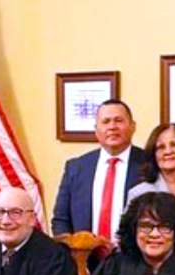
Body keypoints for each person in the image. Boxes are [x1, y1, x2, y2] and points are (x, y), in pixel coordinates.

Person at [52, 99, 149, 238]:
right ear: (96, 130)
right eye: (106, 122)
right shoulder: (76, 168)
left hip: (133, 257)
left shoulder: (149, 164)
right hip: (83, 256)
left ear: (133, 126)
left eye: (119, 120)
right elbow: (61, 220)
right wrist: (73, 252)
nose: (112, 127)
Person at [125, 123, 175, 212]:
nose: (168, 151)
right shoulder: (139, 193)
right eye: (161, 147)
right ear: (153, 154)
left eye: (174, 144)